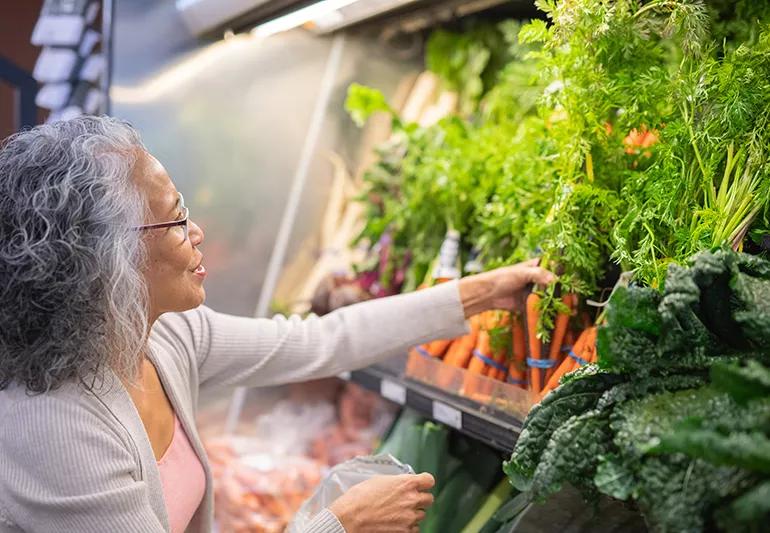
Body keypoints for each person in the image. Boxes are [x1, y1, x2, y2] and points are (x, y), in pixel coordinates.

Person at [0, 116, 554, 533]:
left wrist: (478, 293)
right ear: (110, 258)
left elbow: (317, 342)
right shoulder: (54, 425)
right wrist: (341, 522)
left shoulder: (158, 337)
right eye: (175, 218)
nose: (198, 233)